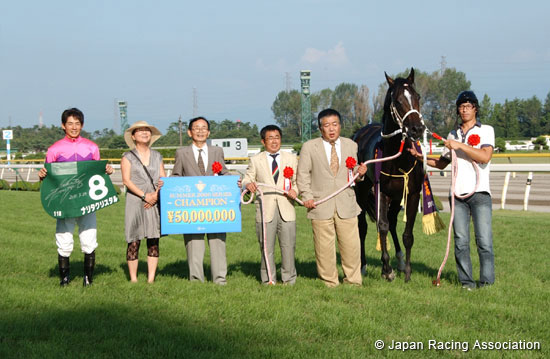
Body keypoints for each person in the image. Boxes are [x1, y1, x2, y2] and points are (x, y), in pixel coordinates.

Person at [409, 90, 495, 290]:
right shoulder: (452, 134)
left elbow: (484, 157)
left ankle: (487, 283)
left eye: (468, 106)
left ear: (475, 109)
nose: (464, 110)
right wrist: (418, 156)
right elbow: (441, 163)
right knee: (461, 241)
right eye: (461, 107)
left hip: (480, 193)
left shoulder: (486, 131)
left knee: (484, 241)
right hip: (457, 196)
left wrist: (460, 145)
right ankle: (466, 282)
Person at [38, 108, 114, 286]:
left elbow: (97, 173)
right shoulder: (54, 149)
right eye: (70, 123)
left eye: (77, 123)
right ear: (63, 125)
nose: (74, 127)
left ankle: (88, 279)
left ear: (82, 125)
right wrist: (41, 175)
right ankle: (64, 279)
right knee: (64, 238)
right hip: (65, 203)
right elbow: (48, 177)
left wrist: (107, 170)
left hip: (87, 200)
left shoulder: (92, 147)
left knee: (89, 237)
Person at [297, 109, 367, 287]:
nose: (331, 129)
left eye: (335, 124)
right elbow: (303, 175)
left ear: (340, 126)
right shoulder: (309, 147)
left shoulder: (351, 145)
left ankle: (353, 281)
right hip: (320, 204)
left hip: (347, 203)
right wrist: (307, 196)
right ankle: (329, 282)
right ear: (320, 128)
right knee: (324, 248)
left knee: (351, 246)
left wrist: (360, 173)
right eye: (327, 125)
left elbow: (353, 173)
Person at [171, 116, 233, 285]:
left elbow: (224, 173)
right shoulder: (181, 153)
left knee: (218, 242)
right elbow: (176, 175)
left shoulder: (217, 151)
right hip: (192, 208)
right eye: (196, 128)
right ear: (190, 132)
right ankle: (196, 279)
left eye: (204, 128)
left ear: (209, 132)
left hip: (215, 206)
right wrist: (168, 183)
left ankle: (220, 278)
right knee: (194, 244)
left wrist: (234, 181)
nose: (200, 131)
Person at [243, 125, 298, 285]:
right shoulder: (256, 160)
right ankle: (268, 280)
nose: (274, 141)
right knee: (266, 248)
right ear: (263, 141)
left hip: (286, 208)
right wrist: (248, 185)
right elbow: (247, 178)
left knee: (288, 247)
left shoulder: (291, 158)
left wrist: (295, 190)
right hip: (265, 210)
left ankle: (289, 279)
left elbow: (298, 182)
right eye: (270, 138)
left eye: (277, 137)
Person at [121, 121, 166, 283]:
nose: (144, 133)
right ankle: (133, 279)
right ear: (133, 136)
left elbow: (163, 179)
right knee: (134, 238)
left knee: (153, 238)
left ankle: (151, 278)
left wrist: (154, 195)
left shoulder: (157, 156)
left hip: (154, 200)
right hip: (135, 200)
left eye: (147, 131)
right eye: (140, 131)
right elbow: (126, 180)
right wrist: (144, 196)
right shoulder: (127, 157)